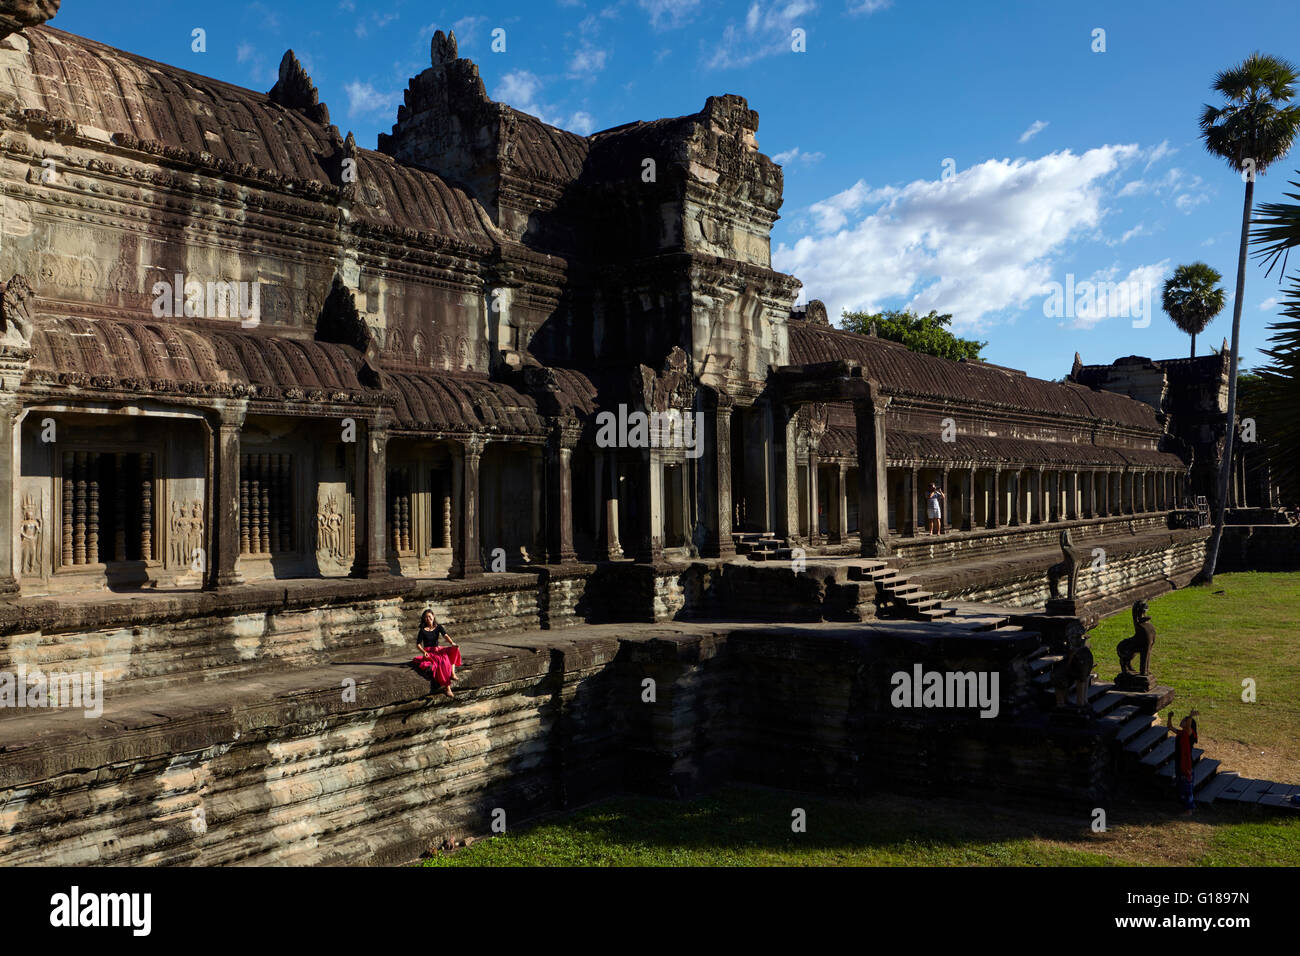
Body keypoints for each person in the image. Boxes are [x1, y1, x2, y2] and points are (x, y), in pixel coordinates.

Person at [413, 609, 462, 697]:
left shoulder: (438, 627)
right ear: (424, 619)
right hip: (429, 652)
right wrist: (423, 652)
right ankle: (447, 688)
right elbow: (418, 644)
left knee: (455, 649)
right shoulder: (422, 630)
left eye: (429, 616)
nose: (428, 619)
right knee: (442, 661)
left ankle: (453, 673)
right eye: (426, 617)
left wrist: (452, 643)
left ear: (433, 616)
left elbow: (445, 635)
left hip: (438, 649)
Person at [1167, 709, 1199, 815]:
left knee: (1187, 786)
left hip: (1187, 764)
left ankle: (1189, 809)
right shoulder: (1181, 733)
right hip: (1180, 762)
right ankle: (1189, 806)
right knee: (1181, 784)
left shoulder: (1190, 734)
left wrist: (1190, 716)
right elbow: (1170, 727)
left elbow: (1189, 726)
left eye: (1184, 720)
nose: (1182, 721)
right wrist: (1169, 717)